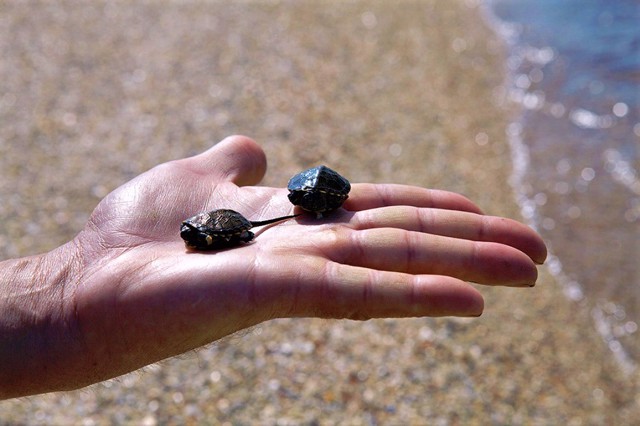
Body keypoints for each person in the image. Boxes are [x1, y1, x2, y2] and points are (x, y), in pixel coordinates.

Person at [0, 135, 547, 399]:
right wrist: (67, 298)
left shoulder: (296, 202)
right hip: (241, 225)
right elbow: (220, 229)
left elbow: (241, 224)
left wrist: (64, 300)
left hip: (253, 221)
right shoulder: (219, 227)